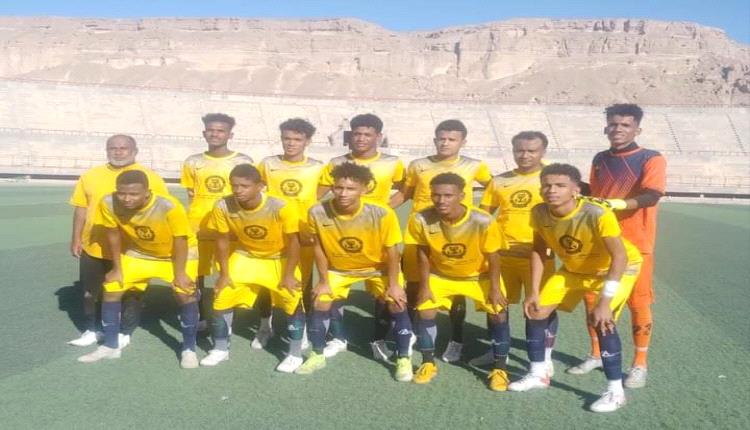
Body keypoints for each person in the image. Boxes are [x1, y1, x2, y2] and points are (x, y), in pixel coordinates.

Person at [508, 163, 642, 413]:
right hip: (574, 269)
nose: (552, 190)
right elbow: (539, 250)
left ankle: (616, 392)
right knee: (535, 311)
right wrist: (533, 291)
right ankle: (538, 374)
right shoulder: (539, 212)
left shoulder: (596, 212)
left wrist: (604, 302)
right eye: (547, 185)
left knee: (602, 321)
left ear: (575, 190)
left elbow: (620, 257)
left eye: (560, 185)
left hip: (614, 269)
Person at [569, 104, 666, 389]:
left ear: (637, 129)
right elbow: (595, 193)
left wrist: (619, 204)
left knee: (638, 303)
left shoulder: (651, 158)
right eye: (613, 124)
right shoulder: (600, 158)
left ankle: (639, 365)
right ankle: (596, 354)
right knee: (593, 300)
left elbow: (652, 195)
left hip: (637, 243)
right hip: (601, 242)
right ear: (606, 128)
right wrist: (570, 185)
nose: (618, 129)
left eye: (625, 125)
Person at [295, 162, 413, 382]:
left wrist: (395, 284)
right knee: (320, 301)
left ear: (364, 189)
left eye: (350, 189)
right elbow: (318, 247)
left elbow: (392, 251)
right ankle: (317, 355)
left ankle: (403, 358)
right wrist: (323, 280)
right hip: (339, 269)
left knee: (397, 303)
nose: (343, 193)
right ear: (332, 187)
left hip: (377, 268)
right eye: (338, 187)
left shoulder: (382, 212)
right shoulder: (317, 211)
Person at [77, 170, 201, 368]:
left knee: (184, 292)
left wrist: (179, 274)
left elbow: (181, 239)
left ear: (147, 192)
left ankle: (189, 349)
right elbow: (113, 234)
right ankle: (110, 346)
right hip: (140, 252)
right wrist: (117, 268)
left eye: (134, 194)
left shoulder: (168, 205)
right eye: (122, 193)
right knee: (112, 287)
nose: (126, 199)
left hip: (175, 254)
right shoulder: (108, 202)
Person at [398, 119, 492, 363]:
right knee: (413, 284)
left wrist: (484, 216)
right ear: (435, 139)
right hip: (420, 231)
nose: (445, 143)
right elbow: (404, 194)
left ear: (463, 142)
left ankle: (456, 339)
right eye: (441, 138)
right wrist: (379, 211)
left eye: (452, 139)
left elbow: (495, 189)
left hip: (457, 234)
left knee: (456, 287)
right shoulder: (418, 165)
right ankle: (413, 333)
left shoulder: (474, 165)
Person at [407, 173, 510, 391]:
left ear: (461, 196)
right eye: (436, 195)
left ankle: (500, 369)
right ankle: (428, 363)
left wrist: (494, 288)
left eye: (448, 195)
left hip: (478, 276)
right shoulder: (421, 218)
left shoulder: (482, 220)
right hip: (441, 275)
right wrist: (424, 286)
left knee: (498, 313)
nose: (441, 200)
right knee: (425, 311)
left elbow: (493, 256)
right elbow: (422, 253)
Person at [316, 113, 405, 359]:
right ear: (350, 135)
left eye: (367, 134)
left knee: (384, 288)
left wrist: (386, 209)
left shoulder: (392, 163)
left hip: (377, 234)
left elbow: (406, 188)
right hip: (341, 232)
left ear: (379, 137)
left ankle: (379, 339)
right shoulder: (336, 163)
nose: (361, 138)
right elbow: (317, 194)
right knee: (334, 285)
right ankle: (338, 337)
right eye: (356, 134)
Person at [201, 164, 306, 373]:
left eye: (244, 186)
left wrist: (288, 275)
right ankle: (220, 349)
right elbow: (222, 240)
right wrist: (224, 274)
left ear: (260, 186)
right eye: (234, 185)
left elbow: (294, 242)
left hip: (279, 257)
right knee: (222, 294)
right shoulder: (222, 205)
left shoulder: (281, 206)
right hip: (247, 255)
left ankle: (295, 354)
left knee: (292, 297)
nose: (238, 190)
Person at [68, 134, 169, 347]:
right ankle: (92, 329)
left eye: (124, 148)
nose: (118, 152)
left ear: (135, 151)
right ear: (107, 150)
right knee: (90, 292)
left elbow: (161, 211)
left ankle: (125, 330)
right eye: (113, 148)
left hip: (133, 248)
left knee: (131, 291)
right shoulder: (91, 176)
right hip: (94, 245)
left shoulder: (150, 177)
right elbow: (81, 208)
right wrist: (76, 237)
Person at [470, 131, 556, 373]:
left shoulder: (552, 180)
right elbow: (483, 216)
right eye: (520, 150)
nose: (525, 155)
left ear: (543, 151)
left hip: (539, 256)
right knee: (496, 306)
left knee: (538, 309)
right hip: (503, 256)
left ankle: (544, 357)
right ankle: (498, 350)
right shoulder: (499, 181)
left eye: (532, 151)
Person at [181, 113, 253, 331]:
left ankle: (225, 317)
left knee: (228, 272)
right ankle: (200, 317)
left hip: (229, 225)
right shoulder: (193, 161)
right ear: (204, 133)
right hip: (198, 226)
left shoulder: (243, 161)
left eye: (220, 130)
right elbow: (191, 194)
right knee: (196, 273)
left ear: (230, 135)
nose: (215, 134)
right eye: (211, 130)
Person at [257, 118, 325, 326]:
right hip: (273, 230)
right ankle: (265, 325)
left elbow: (321, 191)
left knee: (303, 278)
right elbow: (257, 188)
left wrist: (305, 208)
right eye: (287, 138)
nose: (291, 143)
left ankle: (302, 324)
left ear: (307, 141)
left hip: (303, 231)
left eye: (297, 139)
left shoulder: (317, 167)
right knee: (266, 277)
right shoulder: (268, 164)